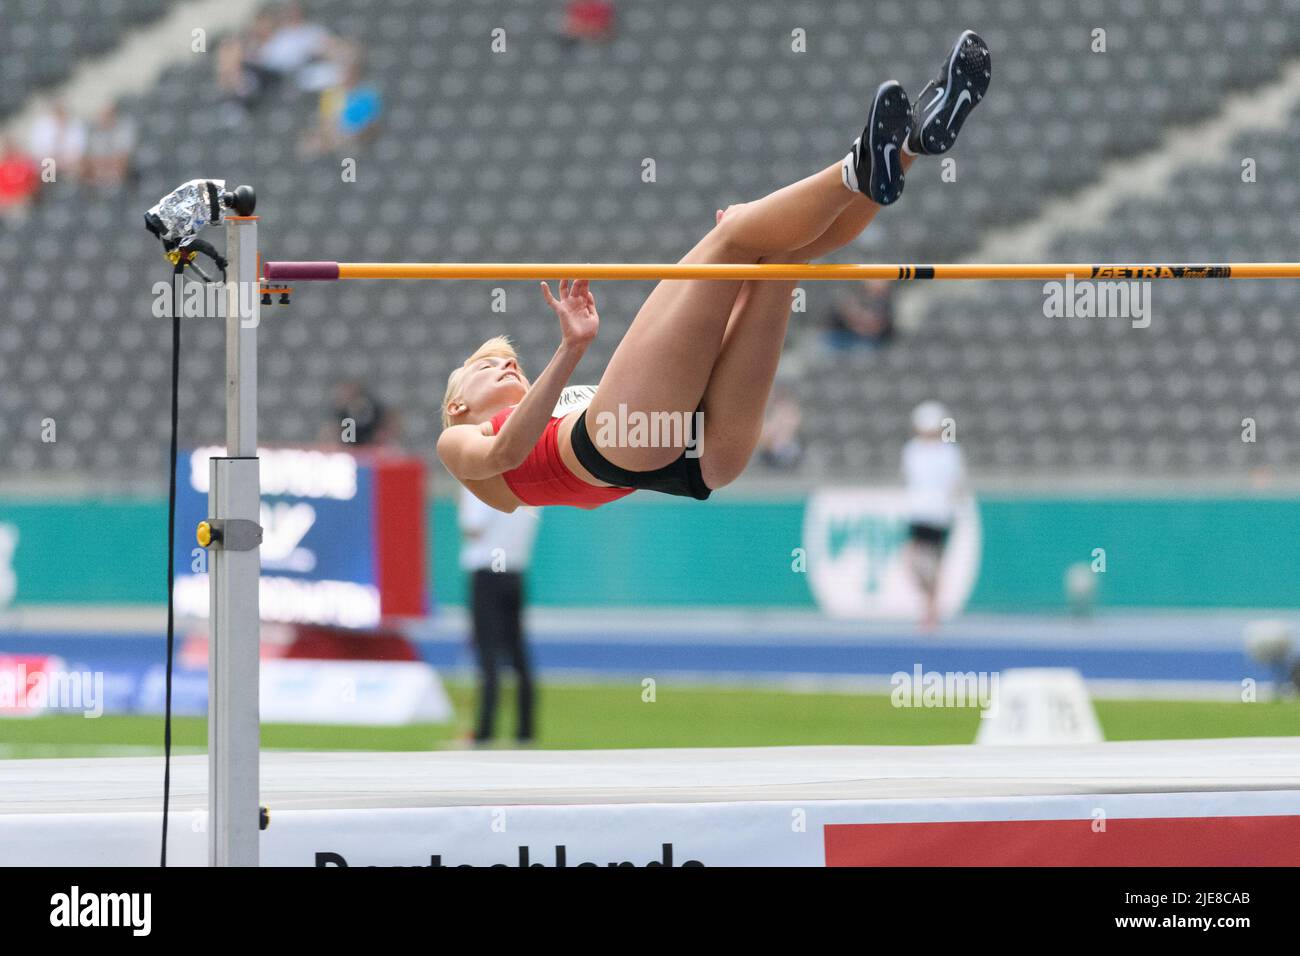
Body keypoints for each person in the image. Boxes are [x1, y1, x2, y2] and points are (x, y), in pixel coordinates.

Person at [438, 31, 990, 514]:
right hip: (656, 451)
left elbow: (690, 374)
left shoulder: (562, 402)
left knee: (779, 262)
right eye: (490, 364)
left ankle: (915, 143)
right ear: (456, 403)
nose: (508, 363)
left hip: (700, 454)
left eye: (508, 359)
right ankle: (857, 166)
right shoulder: (460, 442)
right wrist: (571, 349)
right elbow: (506, 452)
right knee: (734, 235)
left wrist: (740, 274)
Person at [458, 486, 539, 746]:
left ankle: (485, 731)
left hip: (486, 570)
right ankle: (525, 730)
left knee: (487, 653)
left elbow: (473, 526)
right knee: (517, 652)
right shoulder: (532, 483)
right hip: (516, 569)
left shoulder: (481, 476)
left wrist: (462, 499)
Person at [901, 400, 967, 631]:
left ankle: (931, 611)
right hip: (919, 513)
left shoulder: (949, 452)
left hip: (940, 514)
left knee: (936, 565)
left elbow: (956, 484)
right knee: (913, 562)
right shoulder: (912, 450)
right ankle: (929, 604)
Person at [825, 279, 895, 350]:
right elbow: (844, 311)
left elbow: (876, 326)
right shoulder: (853, 295)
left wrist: (864, 323)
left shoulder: (886, 304)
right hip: (843, 338)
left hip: (875, 342)